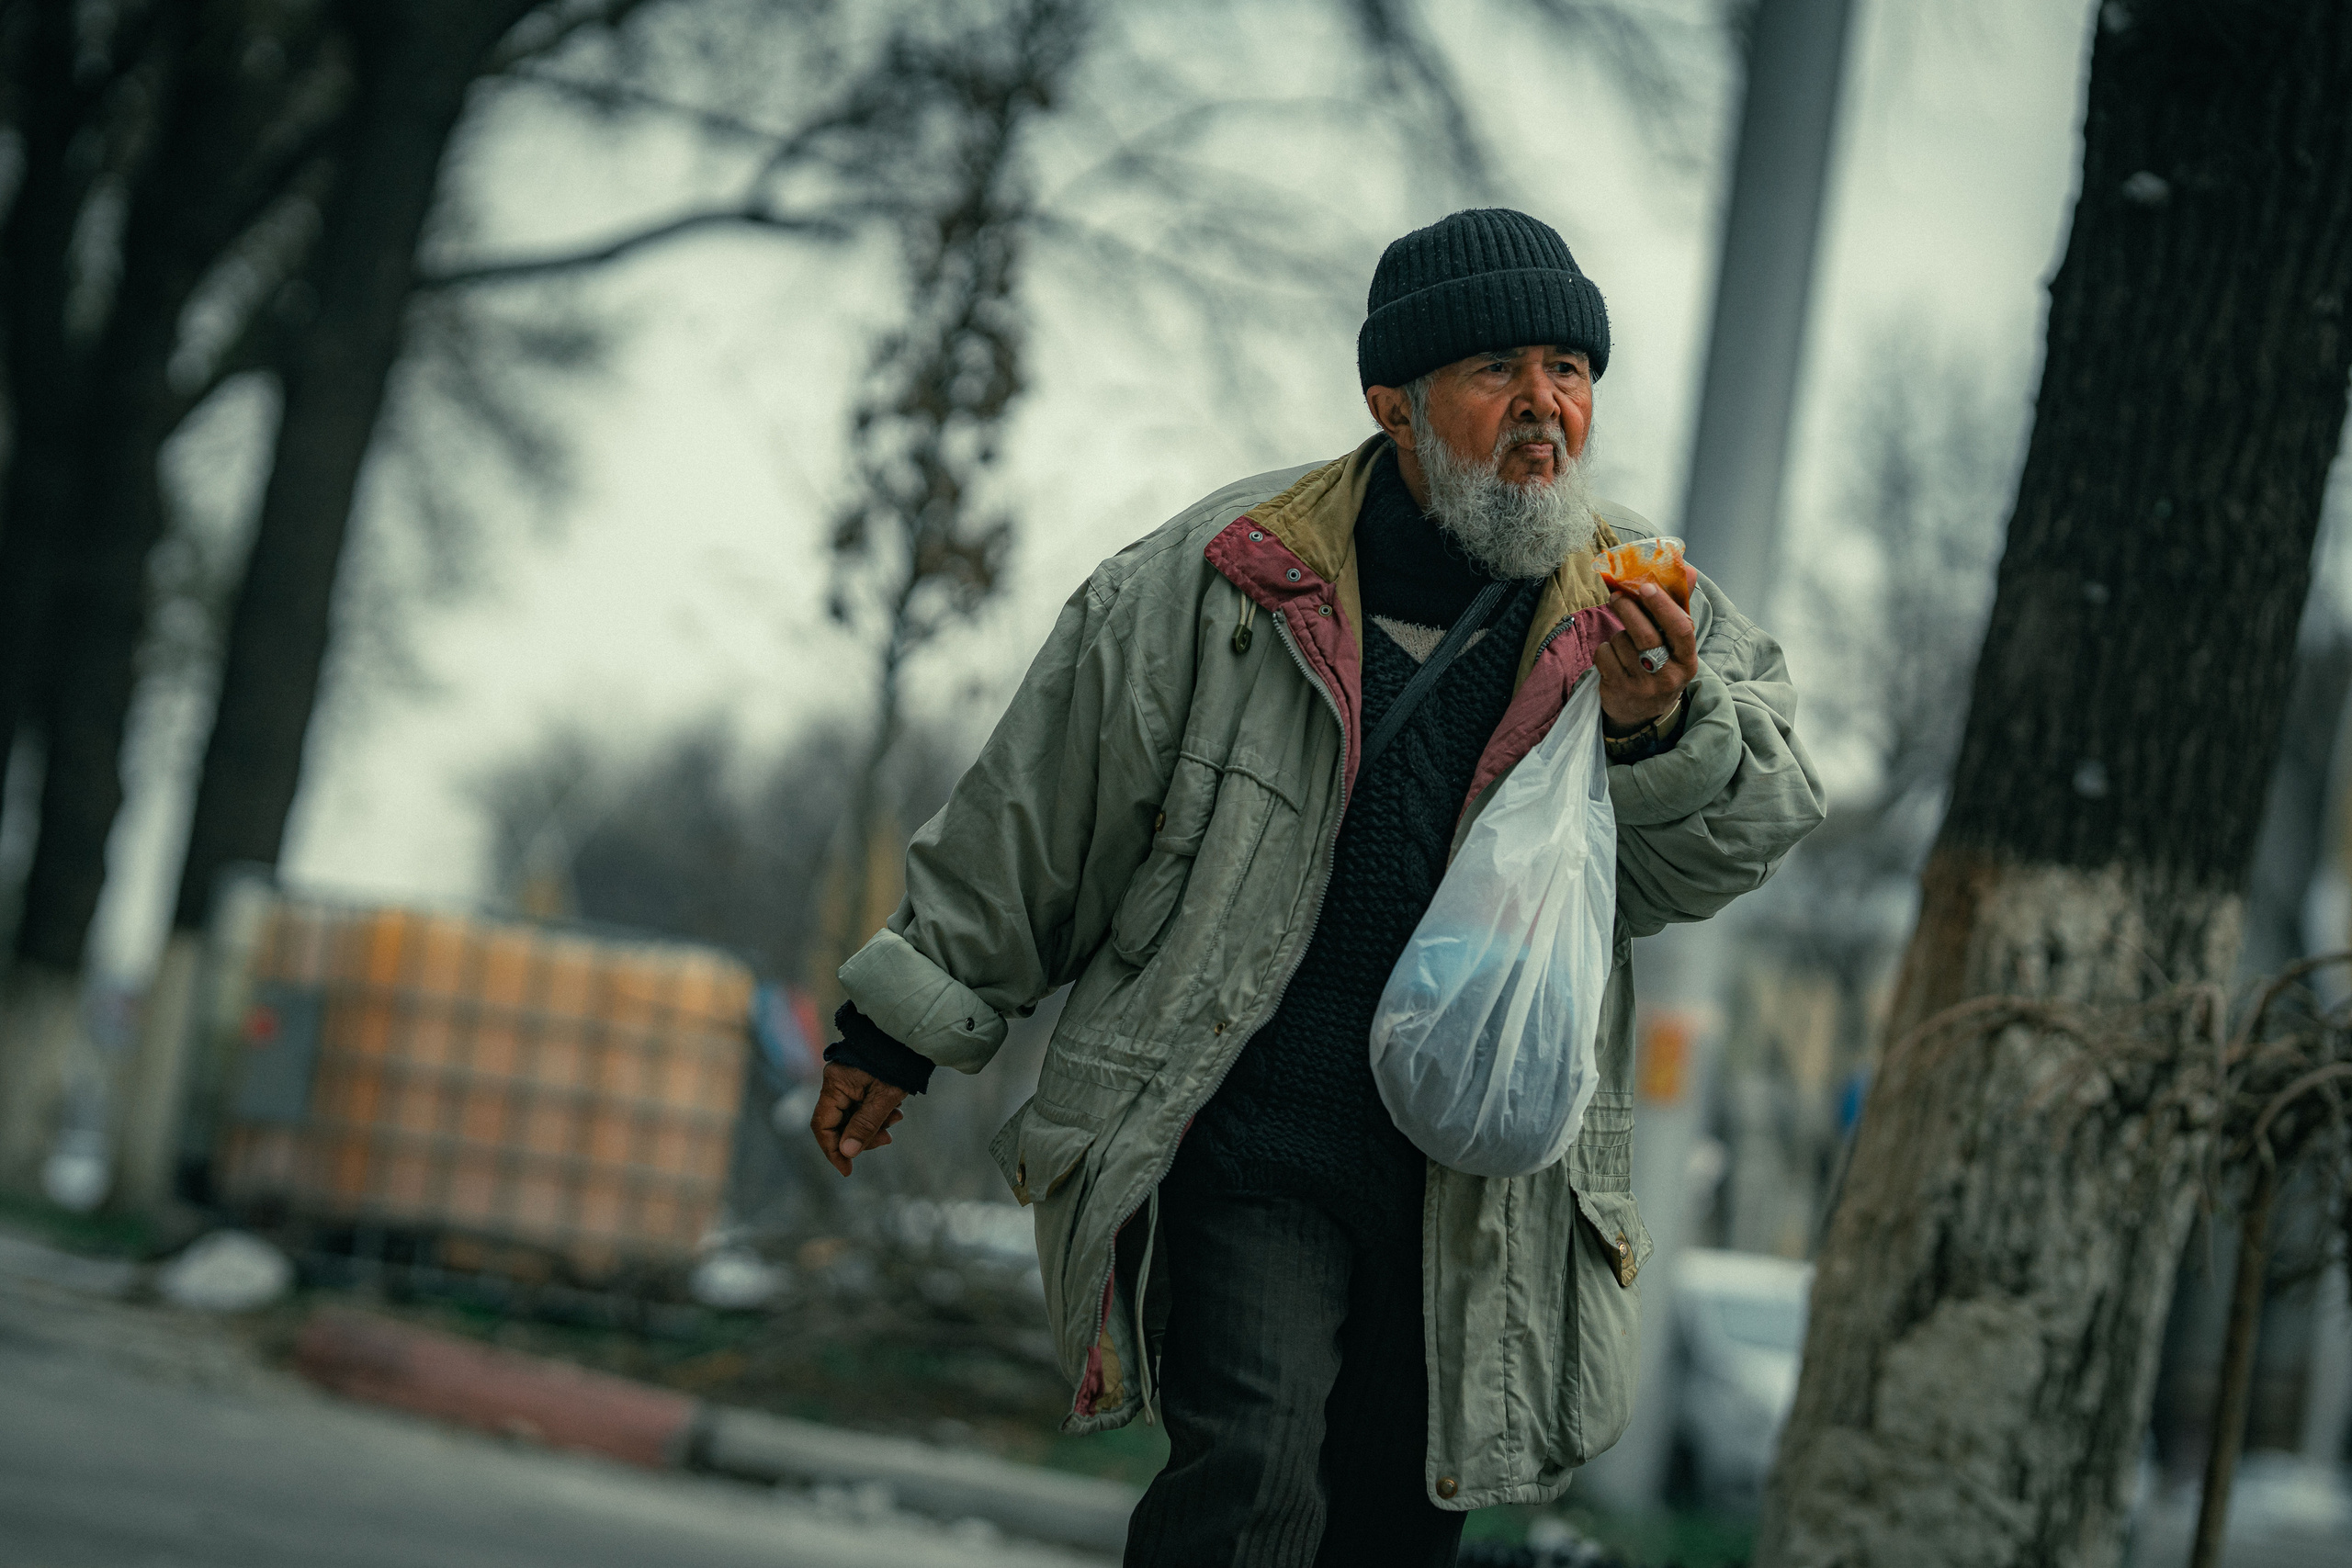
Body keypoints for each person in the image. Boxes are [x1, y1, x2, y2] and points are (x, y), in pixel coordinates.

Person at [809, 207, 1825, 1567]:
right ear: (1394, 407)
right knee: (1251, 1486)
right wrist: (896, 1033)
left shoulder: (1640, 603)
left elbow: (1754, 825)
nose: (1544, 411)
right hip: (1255, 1138)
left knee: (1396, 1527)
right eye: (1495, 373)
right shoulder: (1224, 579)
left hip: (1477, 1170)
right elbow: (1042, 812)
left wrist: (1656, 724)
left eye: (1570, 372)